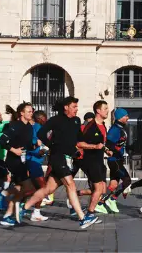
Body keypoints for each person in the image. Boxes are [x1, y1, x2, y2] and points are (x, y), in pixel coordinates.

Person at [20, 96, 99, 229]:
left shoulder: (76, 121)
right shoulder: (56, 120)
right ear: (66, 107)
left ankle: (23, 207)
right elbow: (41, 134)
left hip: (68, 158)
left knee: (48, 189)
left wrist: (92, 146)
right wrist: (52, 145)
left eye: (76, 107)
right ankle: (82, 218)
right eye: (74, 107)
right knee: (71, 184)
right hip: (57, 157)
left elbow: (79, 139)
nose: (76, 109)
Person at [0, 103, 36, 226]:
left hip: (23, 161)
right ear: (22, 113)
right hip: (13, 161)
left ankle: (7, 216)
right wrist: (14, 150)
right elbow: (1, 141)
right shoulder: (15, 126)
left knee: (21, 189)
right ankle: (4, 194)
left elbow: (28, 145)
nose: (31, 113)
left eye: (32, 111)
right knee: (30, 187)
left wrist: (37, 148)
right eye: (29, 111)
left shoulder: (29, 127)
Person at [77, 100, 110, 217]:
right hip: (89, 161)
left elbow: (101, 143)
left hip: (99, 161)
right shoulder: (90, 126)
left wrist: (106, 150)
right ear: (98, 110)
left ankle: (75, 195)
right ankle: (89, 213)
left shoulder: (103, 126)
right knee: (99, 188)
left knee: (102, 190)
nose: (108, 111)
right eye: (105, 108)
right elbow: (79, 143)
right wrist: (95, 146)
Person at [101, 108, 131, 213]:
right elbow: (108, 145)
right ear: (119, 117)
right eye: (126, 116)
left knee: (113, 185)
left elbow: (120, 143)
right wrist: (116, 148)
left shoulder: (121, 127)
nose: (128, 118)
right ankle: (112, 199)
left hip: (118, 159)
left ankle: (100, 203)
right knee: (127, 180)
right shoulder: (115, 129)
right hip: (114, 161)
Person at [26, 110, 49, 221]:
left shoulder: (37, 127)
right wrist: (42, 151)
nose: (46, 119)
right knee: (43, 188)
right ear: (40, 118)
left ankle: (36, 212)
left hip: (36, 161)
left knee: (36, 188)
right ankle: (16, 200)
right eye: (45, 117)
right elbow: (32, 144)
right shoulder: (37, 127)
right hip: (33, 161)